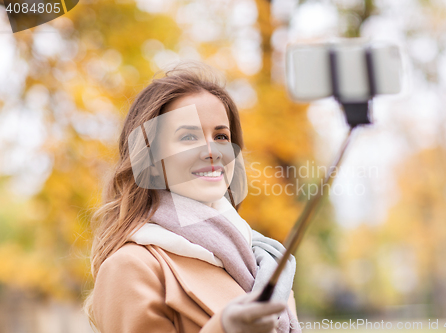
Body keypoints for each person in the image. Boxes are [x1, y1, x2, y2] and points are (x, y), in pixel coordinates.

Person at [83, 60, 301, 333]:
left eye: (221, 136)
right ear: (151, 158)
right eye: (188, 137)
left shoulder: (265, 263)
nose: (212, 151)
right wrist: (222, 329)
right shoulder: (131, 267)